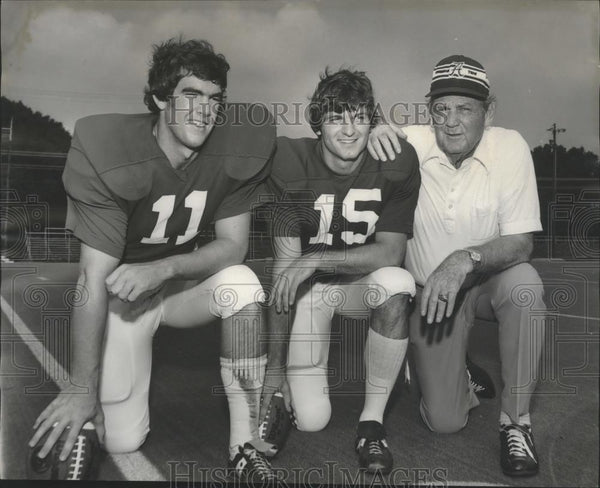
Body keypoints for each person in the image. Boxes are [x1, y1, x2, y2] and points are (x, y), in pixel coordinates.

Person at [28, 37, 277, 482]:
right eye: (190, 95)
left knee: (243, 283)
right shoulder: (109, 148)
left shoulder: (236, 147)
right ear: (161, 97)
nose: (205, 110)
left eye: (215, 99)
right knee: (122, 440)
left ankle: (244, 445)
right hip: (124, 298)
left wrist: (166, 267)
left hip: (178, 288)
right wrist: (81, 388)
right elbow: (92, 278)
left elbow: (233, 246)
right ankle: (86, 414)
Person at [368, 54, 546, 477]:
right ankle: (459, 370)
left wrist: (465, 259)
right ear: (429, 112)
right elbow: (362, 132)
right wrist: (373, 128)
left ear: (489, 111)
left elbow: (521, 243)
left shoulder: (511, 147)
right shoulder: (411, 142)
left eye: (465, 109)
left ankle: (516, 421)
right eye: (441, 109)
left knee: (526, 286)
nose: (451, 121)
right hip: (431, 298)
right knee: (444, 423)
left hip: (486, 282)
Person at [260, 68, 420, 474]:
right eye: (336, 117)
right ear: (318, 123)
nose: (349, 129)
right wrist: (274, 373)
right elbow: (285, 273)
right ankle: (293, 384)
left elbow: (391, 251)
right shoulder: (288, 164)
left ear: (373, 119)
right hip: (311, 293)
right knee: (312, 419)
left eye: (359, 116)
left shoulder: (395, 160)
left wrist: (316, 259)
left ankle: (372, 423)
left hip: (360, 283)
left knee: (397, 282)